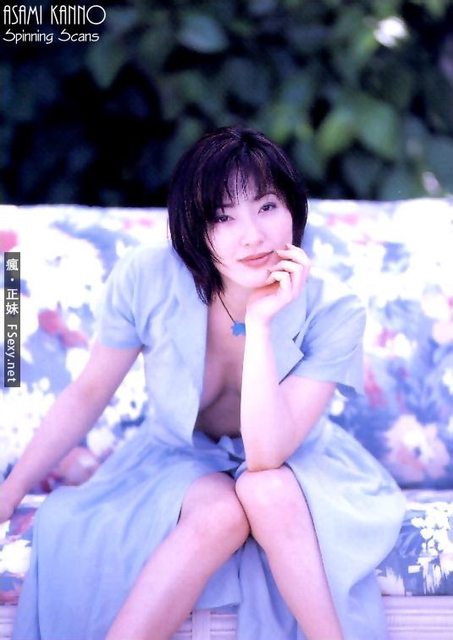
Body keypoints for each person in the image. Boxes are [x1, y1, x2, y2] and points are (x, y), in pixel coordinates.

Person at [2, 125, 405, 640]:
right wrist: (10, 491)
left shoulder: (334, 309)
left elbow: (266, 456)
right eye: (222, 216)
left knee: (266, 490)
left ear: (293, 209)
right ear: (194, 227)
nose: (252, 235)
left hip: (297, 458)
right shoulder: (148, 276)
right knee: (219, 512)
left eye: (267, 206)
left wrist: (261, 323)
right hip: (177, 456)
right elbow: (88, 392)